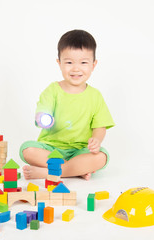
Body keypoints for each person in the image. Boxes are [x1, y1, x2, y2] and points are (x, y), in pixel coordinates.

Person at [19, 29, 115, 180]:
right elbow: (42, 112)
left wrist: (96, 140)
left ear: (93, 64)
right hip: (51, 148)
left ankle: (52, 172)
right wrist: (42, 117)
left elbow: (100, 126)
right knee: (27, 149)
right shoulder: (52, 91)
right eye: (69, 62)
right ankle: (76, 169)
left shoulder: (95, 96)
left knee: (102, 157)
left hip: (80, 150)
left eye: (83, 62)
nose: (76, 68)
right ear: (59, 63)